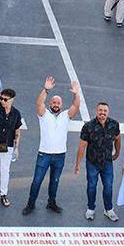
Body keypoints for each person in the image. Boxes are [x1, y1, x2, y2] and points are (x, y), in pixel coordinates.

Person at [23, 77, 80, 215]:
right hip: (44, 154)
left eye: (58, 102)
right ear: (50, 103)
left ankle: (51, 202)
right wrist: (46, 90)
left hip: (60, 155)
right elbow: (38, 103)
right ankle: (31, 204)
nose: (56, 104)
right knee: (37, 181)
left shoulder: (66, 115)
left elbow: (76, 106)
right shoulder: (44, 114)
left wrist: (76, 94)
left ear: (61, 104)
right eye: (54, 102)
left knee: (55, 181)